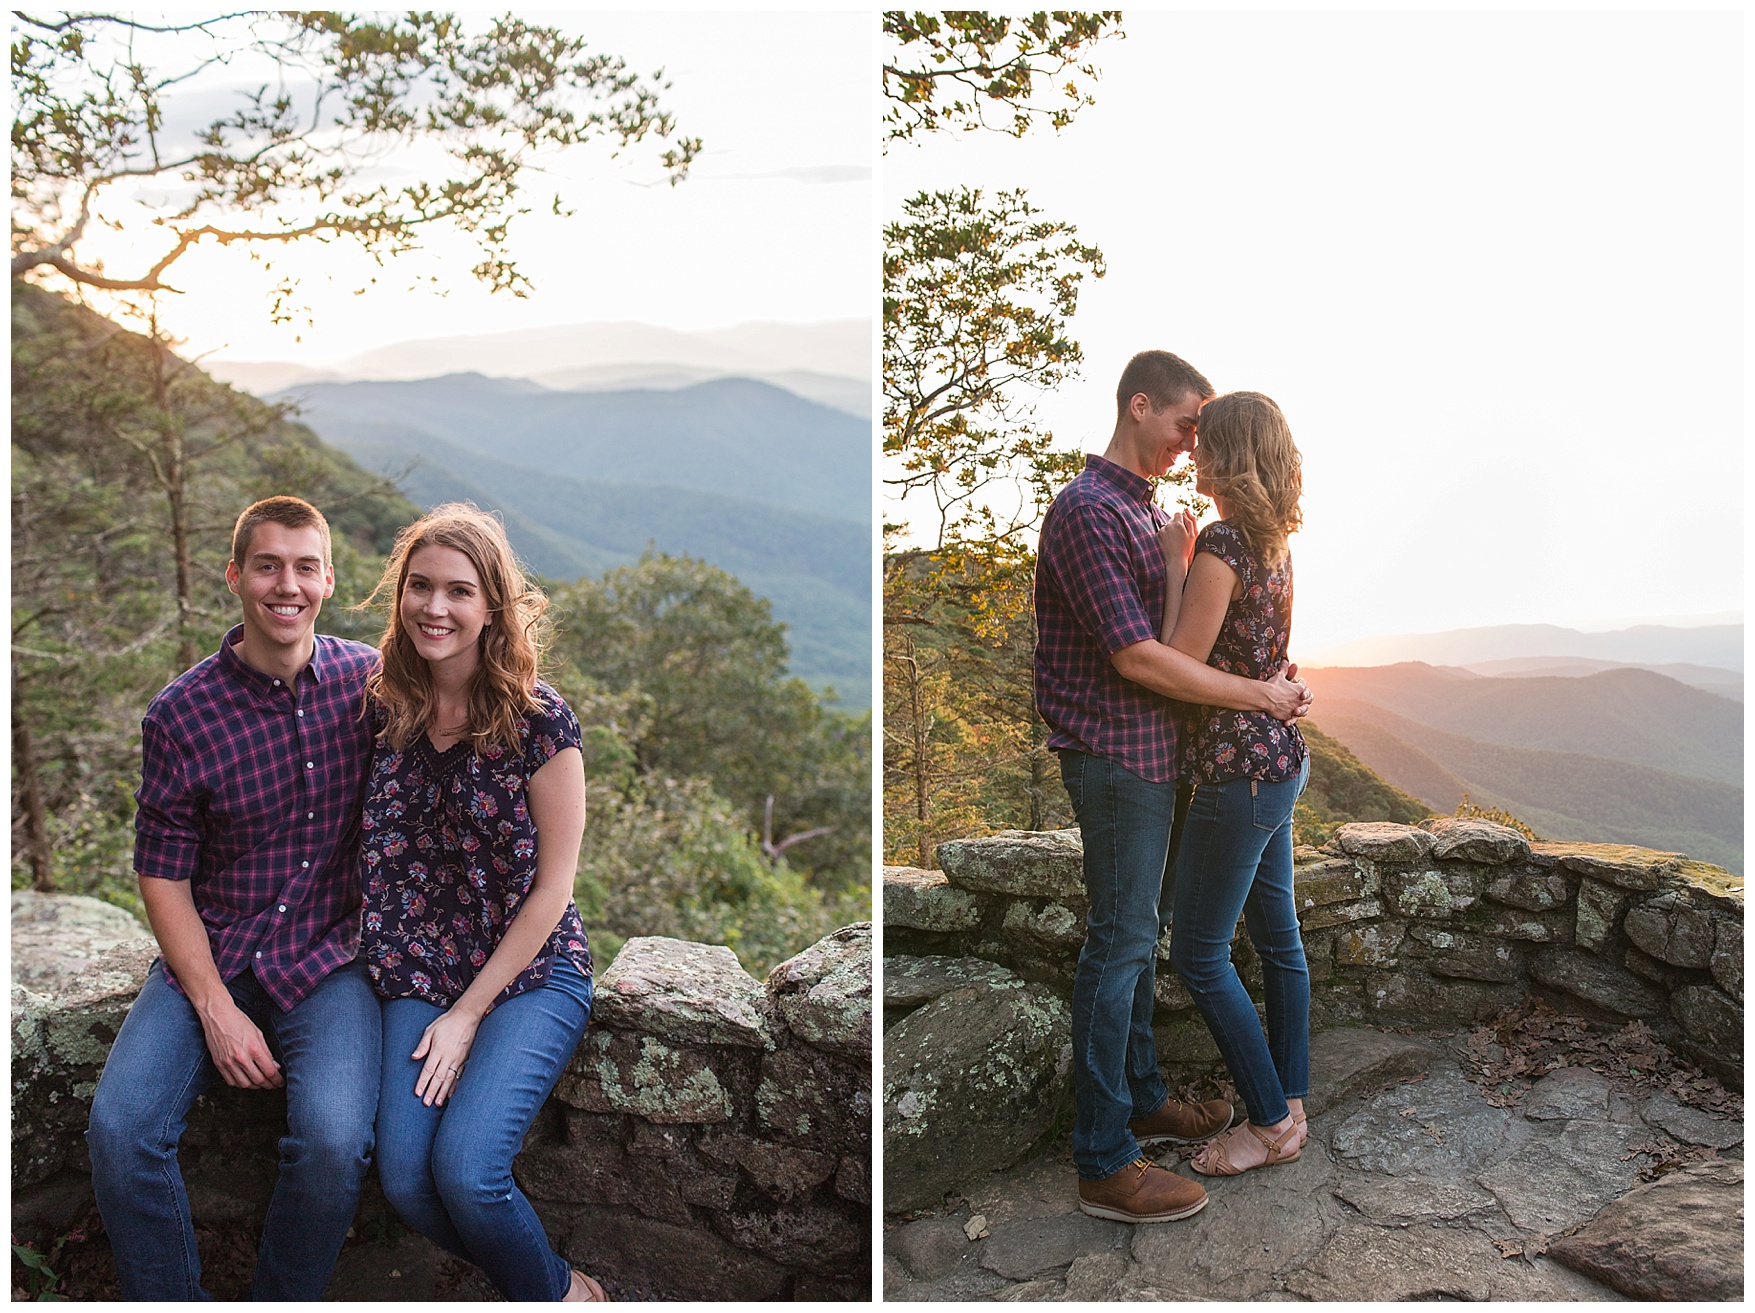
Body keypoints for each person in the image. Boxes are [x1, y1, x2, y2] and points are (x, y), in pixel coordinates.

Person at [1033, 351, 1312, 1225]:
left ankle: (1144, 1098)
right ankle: (1104, 1159)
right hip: (1119, 758)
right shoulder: (1087, 510)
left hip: (1182, 762)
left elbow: (1195, 643)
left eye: (1204, 434)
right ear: (1139, 405)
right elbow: (1142, 657)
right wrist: (1267, 691)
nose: (1191, 444)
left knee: (1144, 940)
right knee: (1122, 944)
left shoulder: (1156, 515)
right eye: (1184, 425)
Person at [87, 496, 382, 1300]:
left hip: (330, 959)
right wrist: (215, 1006)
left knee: (332, 1140)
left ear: (327, 578)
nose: (285, 585)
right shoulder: (182, 713)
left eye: (303, 566)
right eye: (266, 565)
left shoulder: (369, 682)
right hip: (210, 952)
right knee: (121, 1131)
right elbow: (162, 871)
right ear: (235, 576)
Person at [357, 504, 607, 1302]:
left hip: (530, 972)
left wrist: (467, 1013)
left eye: (458, 590)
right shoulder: (381, 708)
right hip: (416, 974)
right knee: (403, 1176)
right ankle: (544, 1283)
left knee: (467, 1171)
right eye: (420, 586)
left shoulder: (539, 721)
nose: (436, 606)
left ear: (493, 604)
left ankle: (565, 1297)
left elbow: (553, 888)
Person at [1161, 391, 1312, 1176]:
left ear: (1227, 453)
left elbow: (1177, 667)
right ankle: (1289, 1103)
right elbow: (1259, 657)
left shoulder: (1221, 543)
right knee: (1279, 943)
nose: (1190, 455)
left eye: (1202, 443)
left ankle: (1262, 1122)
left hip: (1235, 770)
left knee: (1197, 952)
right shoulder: (1275, 540)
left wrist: (1170, 565)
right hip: (1279, 757)